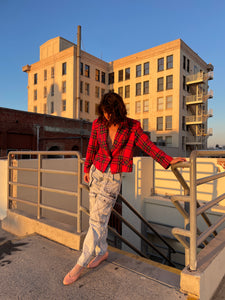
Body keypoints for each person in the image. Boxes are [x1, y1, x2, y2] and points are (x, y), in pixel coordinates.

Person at [63, 92, 186, 285]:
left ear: (118, 111)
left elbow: (147, 146)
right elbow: (92, 148)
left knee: (96, 221)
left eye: (110, 113)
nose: (107, 116)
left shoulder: (132, 126)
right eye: (104, 112)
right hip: (96, 173)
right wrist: (86, 168)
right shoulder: (98, 124)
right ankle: (102, 252)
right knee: (97, 219)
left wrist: (168, 160)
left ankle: (79, 264)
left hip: (113, 178)